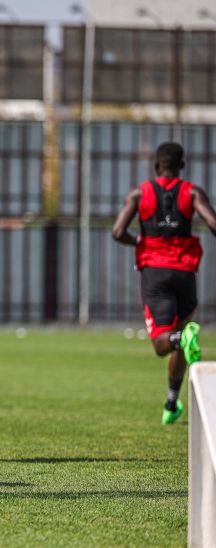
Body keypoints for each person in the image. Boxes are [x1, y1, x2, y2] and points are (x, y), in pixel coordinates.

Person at [112, 141, 215, 425]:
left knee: (162, 343)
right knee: (181, 334)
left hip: (155, 273)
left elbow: (118, 231)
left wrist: (139, 240)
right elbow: (214, 223)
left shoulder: (139, 193)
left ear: (157, 166)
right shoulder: (192, 192)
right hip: (185, 274)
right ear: (181, 166)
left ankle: (182, 340)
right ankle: (171, 403)